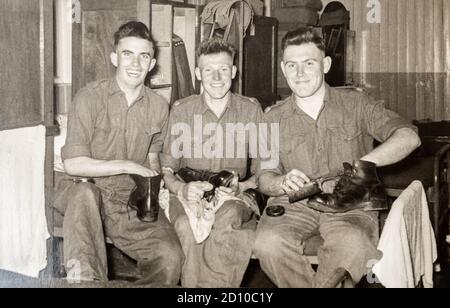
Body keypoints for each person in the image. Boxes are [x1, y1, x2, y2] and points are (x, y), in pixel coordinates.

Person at [253, 27, 421, 287]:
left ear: (326, 64)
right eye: (292, 65)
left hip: (350, 203)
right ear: (284, 69)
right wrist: (280, 182)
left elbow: (409, 137)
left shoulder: (356, 104)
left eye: (309, 63)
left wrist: (364, 165)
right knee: (267, 244)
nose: (300, 74)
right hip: (295, 204)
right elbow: (263, 177)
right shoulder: (271, 118)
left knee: (353, 246)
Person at [54, 21, 183, 285]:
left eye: (143, 56)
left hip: (128, 200)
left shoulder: (159, 106)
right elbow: (73, 164)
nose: (135, 64)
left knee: (170, 258)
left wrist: (156, 189)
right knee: (85, 198)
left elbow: (153, 156)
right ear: (114, 58)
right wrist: (128, 165)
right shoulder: (89, 97)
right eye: (128, 54)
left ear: (152, 63)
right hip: (86, 193)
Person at [161, 38, 264, 287]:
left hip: (233, 195)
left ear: (234, 72)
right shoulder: (181, 111)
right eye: (208, 70)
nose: (217, 77)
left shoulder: (251, 110)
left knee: (227, 220)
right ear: (198, 73)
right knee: (185, 226)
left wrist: (242, 186)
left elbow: (266, 170)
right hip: (188, 193)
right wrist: (182, 189)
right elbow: (167, 170)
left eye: (224, 69)